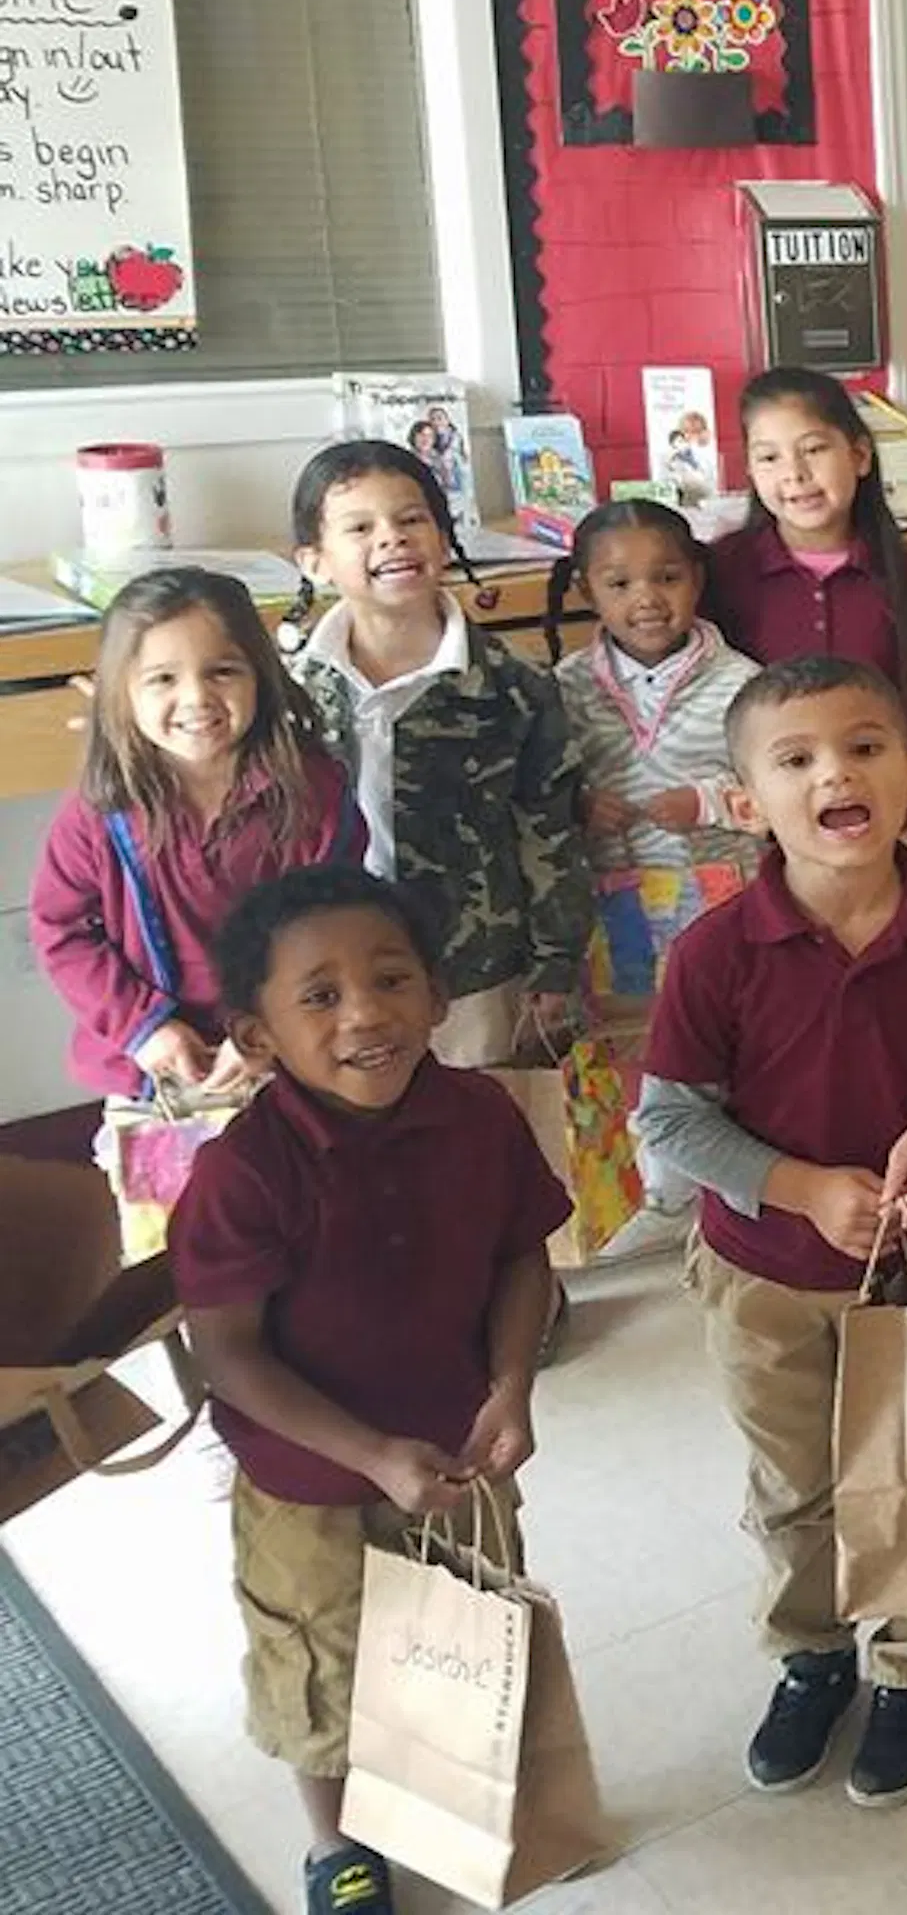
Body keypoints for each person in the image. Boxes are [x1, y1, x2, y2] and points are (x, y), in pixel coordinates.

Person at [635, 658, 907, 1806]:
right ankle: (813, 1657)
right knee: (794, 1484)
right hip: (760, 1277)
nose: (833, 776)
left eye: (862, 748)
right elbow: (670, 1118)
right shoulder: (714, 954)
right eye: (795, 760)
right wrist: (798, 1187)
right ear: (748, 801)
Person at [171, 866, 564, 1915]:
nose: (364, 1015)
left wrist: (513, 1387)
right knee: (323, 1670)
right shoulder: (242, 1175)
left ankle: (460, 1804)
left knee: (469, 1638)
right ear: (256, 1037)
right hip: (305, 1486)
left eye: (391, 980)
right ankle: (336, 1845)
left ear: (437, 996)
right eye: (320, 996)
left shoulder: (483, 1116)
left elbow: (522, 1256)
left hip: (462, 1455)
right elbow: (229, 1355)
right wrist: (371, 1455)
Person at [286, 442, 590, 1069]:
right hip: (330, 972)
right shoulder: (289, 692)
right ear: (315, 562)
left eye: (411, 519)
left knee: (480, 1113)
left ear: (445, 540)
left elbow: (551, 830)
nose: (392, 538)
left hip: (475, 973)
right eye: (360, 528)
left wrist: (556, 961)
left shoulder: (513, 686)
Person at [34, 569, 363, 1108]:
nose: (196, 698)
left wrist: (268, 1028)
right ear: (121, 692)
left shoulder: (315, 793)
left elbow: (336, 929)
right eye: (162, 678)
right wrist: (141, 1027)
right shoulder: (98, 811)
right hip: (152, 1068)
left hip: (289, 1048)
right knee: (165, 1169)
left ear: (260, 675)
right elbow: (61, 931)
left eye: (223, 671)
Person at [548, 500, 763, 1001]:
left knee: (726, 1016)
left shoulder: (744, 684)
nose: (646, 599)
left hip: (726, 899)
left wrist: (706, 803)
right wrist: (578, 805)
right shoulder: (565, 686)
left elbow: (776, 792)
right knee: (630, 1027)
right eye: (619, 584)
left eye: (667, 578)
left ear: (696, 579)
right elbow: (542, 790)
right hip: (612, 906)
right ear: (587, 590)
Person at [705, 368, 907, 738]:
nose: (795, 473)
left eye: (813, 449)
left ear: (859, 455)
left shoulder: (906, 575)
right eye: (769, 457)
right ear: (749, 470)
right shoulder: (722, 571)